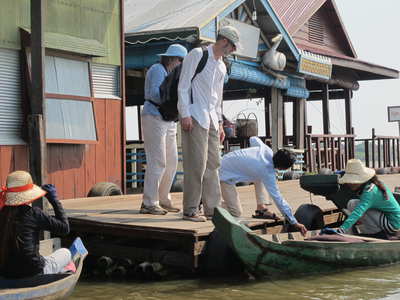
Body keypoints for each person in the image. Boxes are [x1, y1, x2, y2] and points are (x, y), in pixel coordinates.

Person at [177, 26, 239, 222]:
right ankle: (190, 209)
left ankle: (213, 209)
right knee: (196, 164)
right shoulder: (197, 54)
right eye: (233, 46)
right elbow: (183, 85)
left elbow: (217, 98)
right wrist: (184, 113)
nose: (233, 51)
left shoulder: (222, 65)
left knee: (214, 164)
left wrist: (220, 123)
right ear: (224, 41)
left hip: (212, 118)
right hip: (194, 114)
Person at [219, 136, 308, 236]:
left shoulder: (266, 150)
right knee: (236, 212)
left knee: (260, 176)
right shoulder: (267, 173)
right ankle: (216, 205)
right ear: (282, 167)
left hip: (225, 159)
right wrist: (294, 222)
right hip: (224, 177)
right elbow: (278, 199)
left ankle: (261, 209)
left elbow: (253, 139)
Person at [140, 44, 188, 215]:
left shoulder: (171, 73)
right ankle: (149, 202)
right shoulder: (157, 69)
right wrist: (175, 101)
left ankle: (163, 199)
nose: (182, 64)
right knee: (157, 160)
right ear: (172, 59)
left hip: (168, 119)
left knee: (172, 161)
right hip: (154, 116)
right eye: (181, 60)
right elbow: (154, 94)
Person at [0, 171, 71, 278]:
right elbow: (64, 228)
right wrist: (54, 200)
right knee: (66, 252)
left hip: (5, 273)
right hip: (33, 273)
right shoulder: (34, 213)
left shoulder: (2, 213)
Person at [323, 159, 400, 238]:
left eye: (351, 181)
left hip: (393, 224)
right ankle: (362, 233)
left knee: (356, 207)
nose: (349, 183)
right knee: (352, 203)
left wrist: (341, 230)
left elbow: (357, 213)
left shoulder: (370, 192)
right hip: (389, 219)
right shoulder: (370, 185)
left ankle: (376, 234)